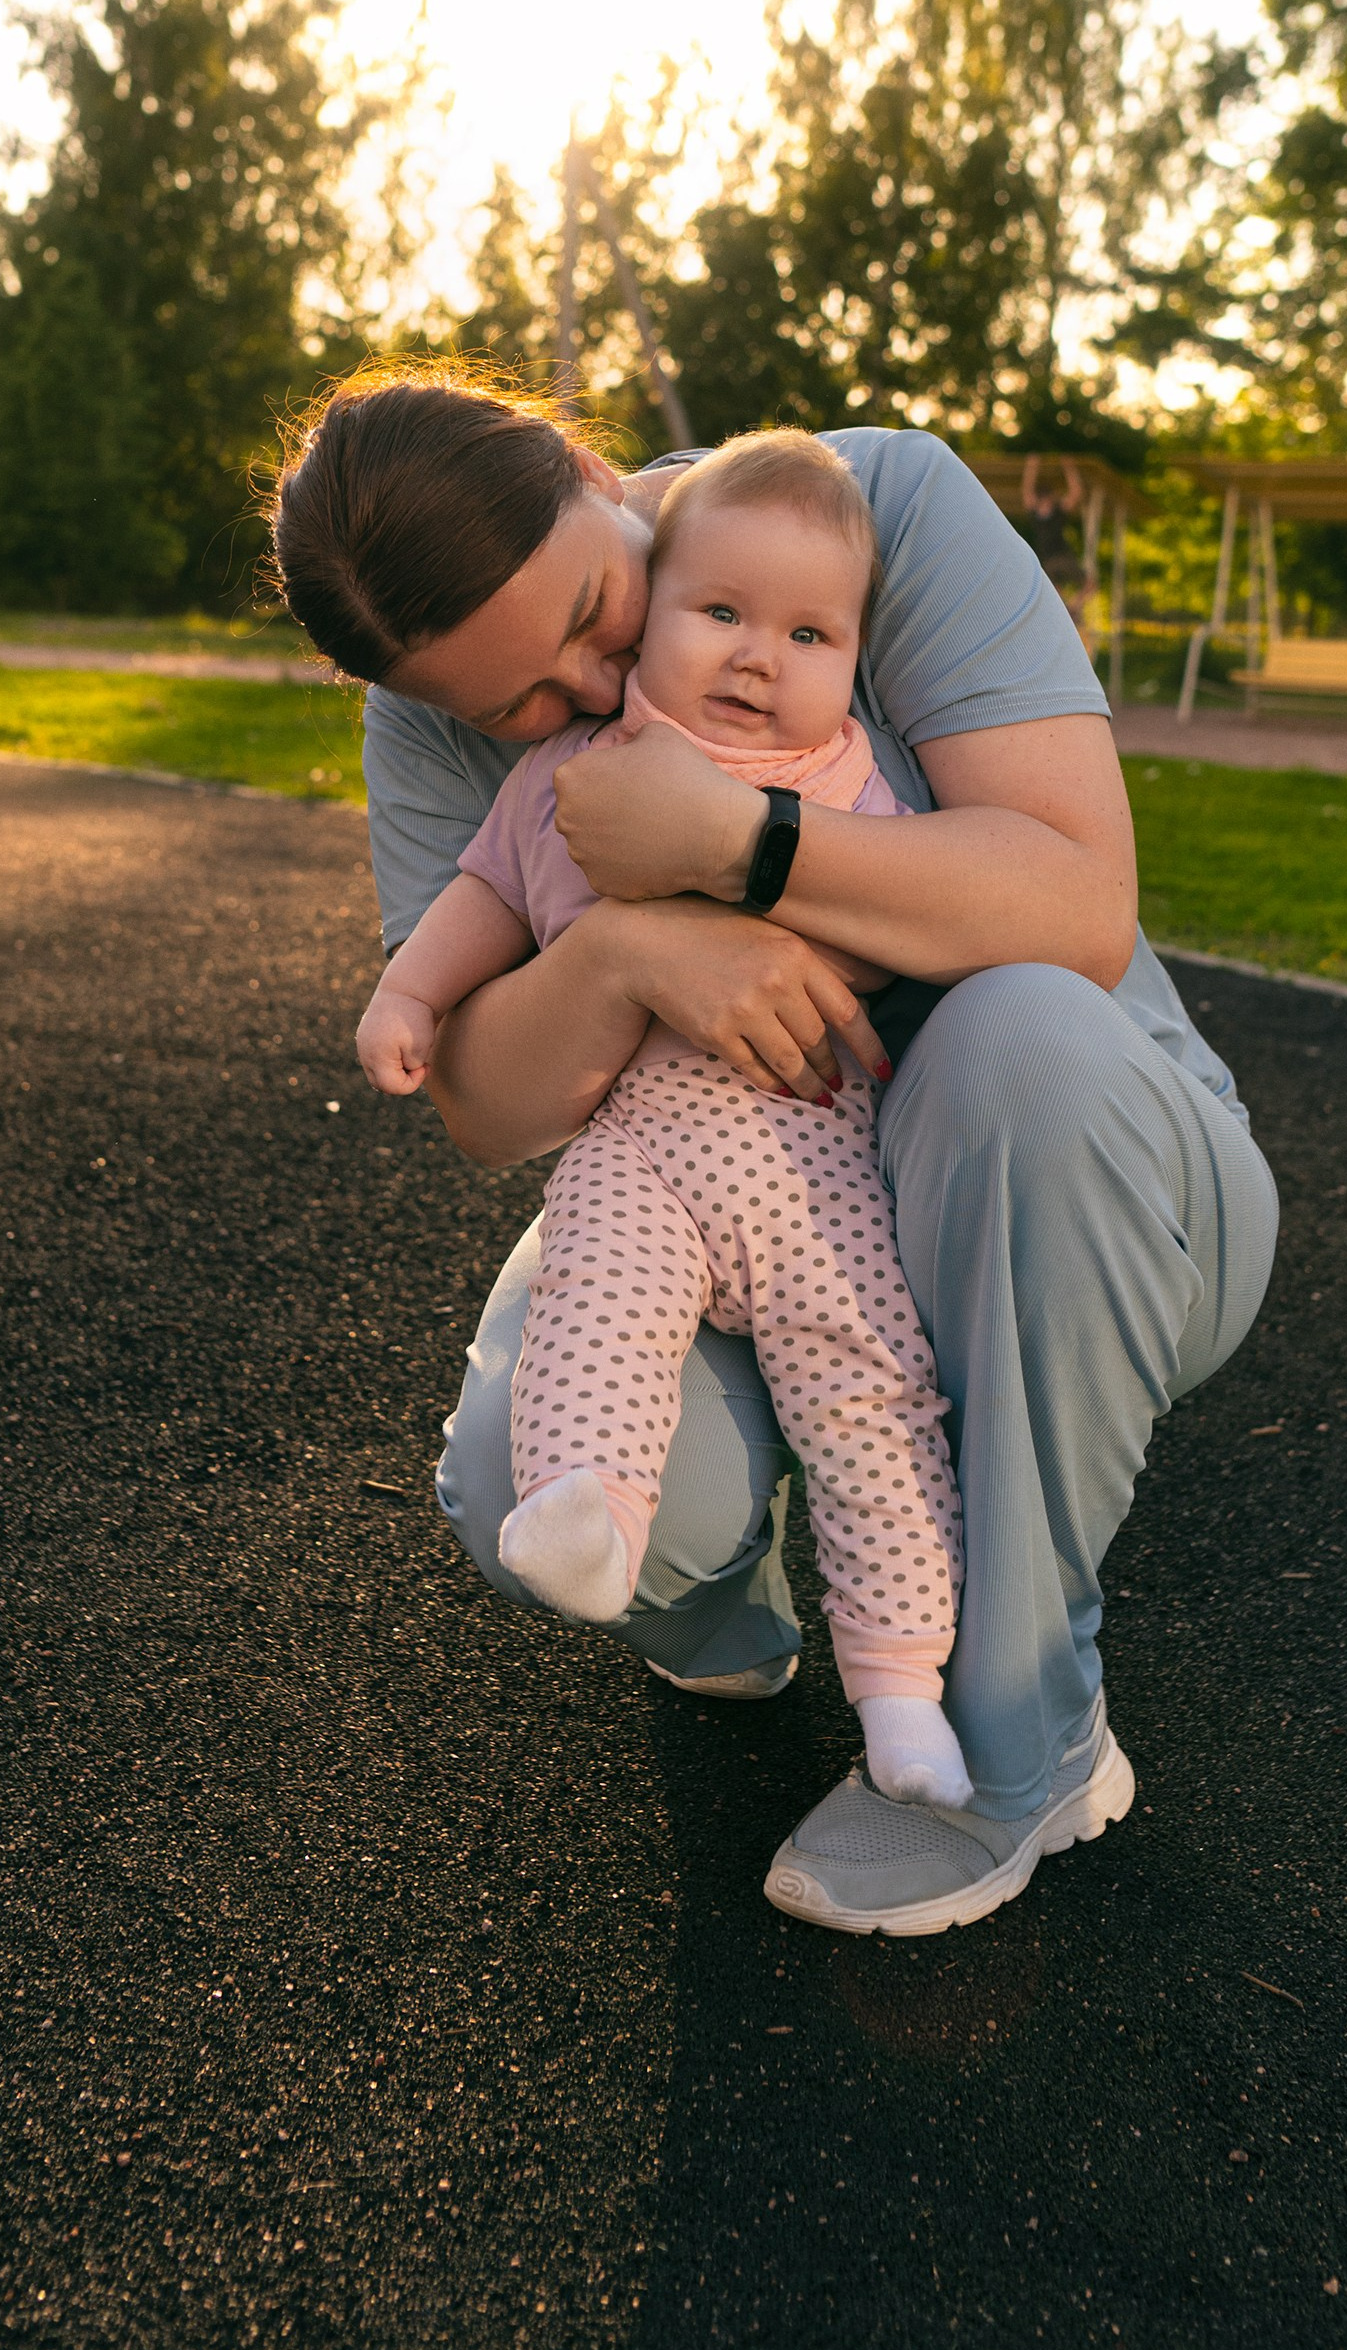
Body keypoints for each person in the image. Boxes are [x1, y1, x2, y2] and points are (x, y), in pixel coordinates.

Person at [272, 364, 1279, 1937]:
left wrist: (742, 845)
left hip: (1083, 1196)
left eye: (595, 613)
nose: (590, 689)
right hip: (730, 1203)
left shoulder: (875, 509)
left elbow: (1078, 909)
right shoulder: (423, 715)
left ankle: (1022, 1737)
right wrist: (629, 955)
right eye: (513, 707)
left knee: (1015, 1035)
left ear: (591, 468)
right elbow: (481, 1102)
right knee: (516, 1480)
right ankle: (718, 1606)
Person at [352, 431, 969, 1807]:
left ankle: (902, 1685)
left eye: (808, 636)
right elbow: (485, 897)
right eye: (720, 616)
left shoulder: (839, 774)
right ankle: (599, 1514)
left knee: (868, 1396)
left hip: (814, 1161)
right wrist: (408, 993)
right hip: (638, 1154)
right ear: (678, 593)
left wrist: (750, 866)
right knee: (599, 1308)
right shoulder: (571, 772)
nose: (756, 659)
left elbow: (903, 925)